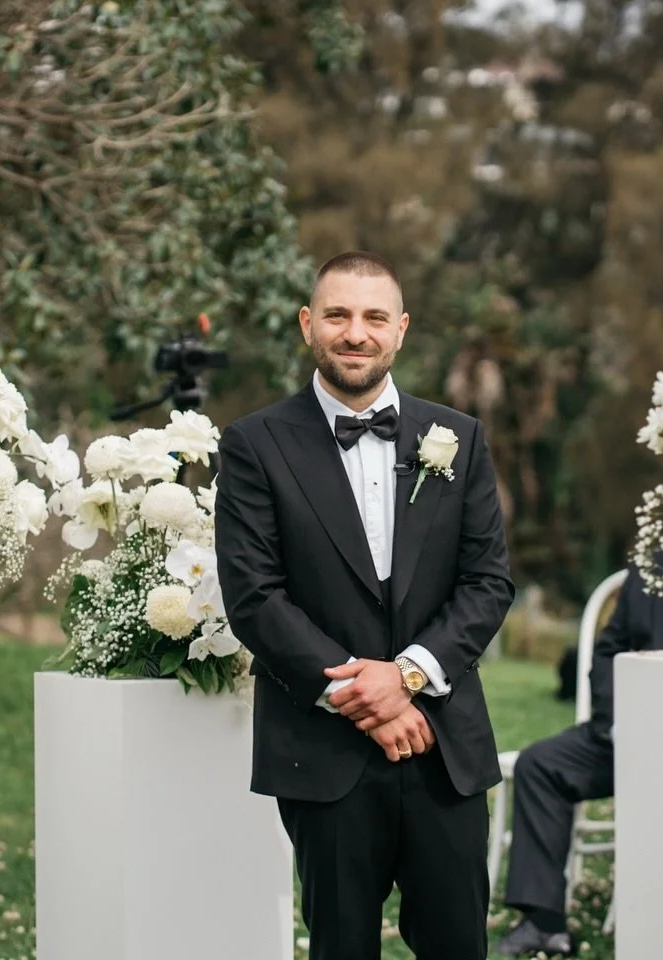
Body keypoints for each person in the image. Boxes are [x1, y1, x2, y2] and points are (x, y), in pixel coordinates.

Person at [215, 251, 515, 960]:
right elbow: (256, 598)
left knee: (458, 945)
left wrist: (406, 675)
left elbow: (487, 583)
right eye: (338, 315)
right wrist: (366, 698)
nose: (356, 332)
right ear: (307, 324)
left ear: (401, 329)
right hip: (324, 753)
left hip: (445, 748)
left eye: (374, 317)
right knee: (341, 946)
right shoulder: (255, 444)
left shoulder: (459, 439)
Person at [492, 551, 663, 957]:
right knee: (540, 765)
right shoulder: (655, 565)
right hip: (624, 736)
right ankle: (543, 922)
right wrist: (617, 724)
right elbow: (608, 650)